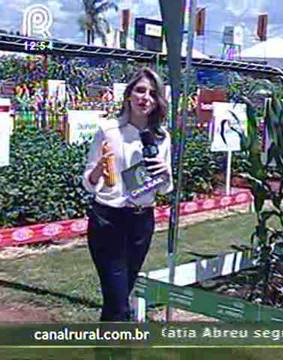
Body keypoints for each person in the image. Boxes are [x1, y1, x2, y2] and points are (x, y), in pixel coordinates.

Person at [82, 67, 173, 321]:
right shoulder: (108, 130)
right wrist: (99, 169)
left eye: (153, 94)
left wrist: (166, 172)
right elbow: (88, 183)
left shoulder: (162, 137)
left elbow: (165, 188)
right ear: (129, 95)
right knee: (120, 302)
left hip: (141, 222)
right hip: (108, 219)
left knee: (117, 298)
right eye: (140, 90)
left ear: (158, 101)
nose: (145, 97)